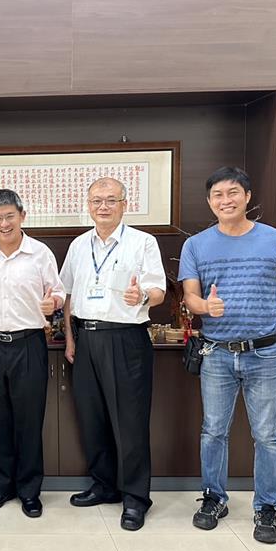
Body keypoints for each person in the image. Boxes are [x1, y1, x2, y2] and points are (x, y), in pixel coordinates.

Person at [179, 166, 276, 544]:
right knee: (213, 430)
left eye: (233, 192)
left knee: (267, 434)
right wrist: (205, 307)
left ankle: (266, 506)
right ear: (209, 201)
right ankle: (214, 498)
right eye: (217, 194)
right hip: (217, 353)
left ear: (247, 196)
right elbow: (190, 296)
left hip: (265, 354)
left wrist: (269, 325)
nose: (225, 200)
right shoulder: (196, 245)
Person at [61, 177, 166, 531]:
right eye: (96, 200)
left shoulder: (142, 242)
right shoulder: (79, 245)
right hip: (85, 339)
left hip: (125, 339)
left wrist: (144, 296)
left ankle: (135, 498)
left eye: (110, 200)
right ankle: (104, 486)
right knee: (92, 419)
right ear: (88, 205)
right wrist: (70, 338)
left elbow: (159, 289)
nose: (103, 206)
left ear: (124, 204)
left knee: (130, 423)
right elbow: (68, 294)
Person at [0, 189, 64, 518]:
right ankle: (0, 487)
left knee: (29, 421)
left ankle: (29, 491)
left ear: (22, 216)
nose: (4, 223)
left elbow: (58, 293)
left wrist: (53, 304)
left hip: (29, 343)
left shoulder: (40, 253)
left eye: (10, 216)